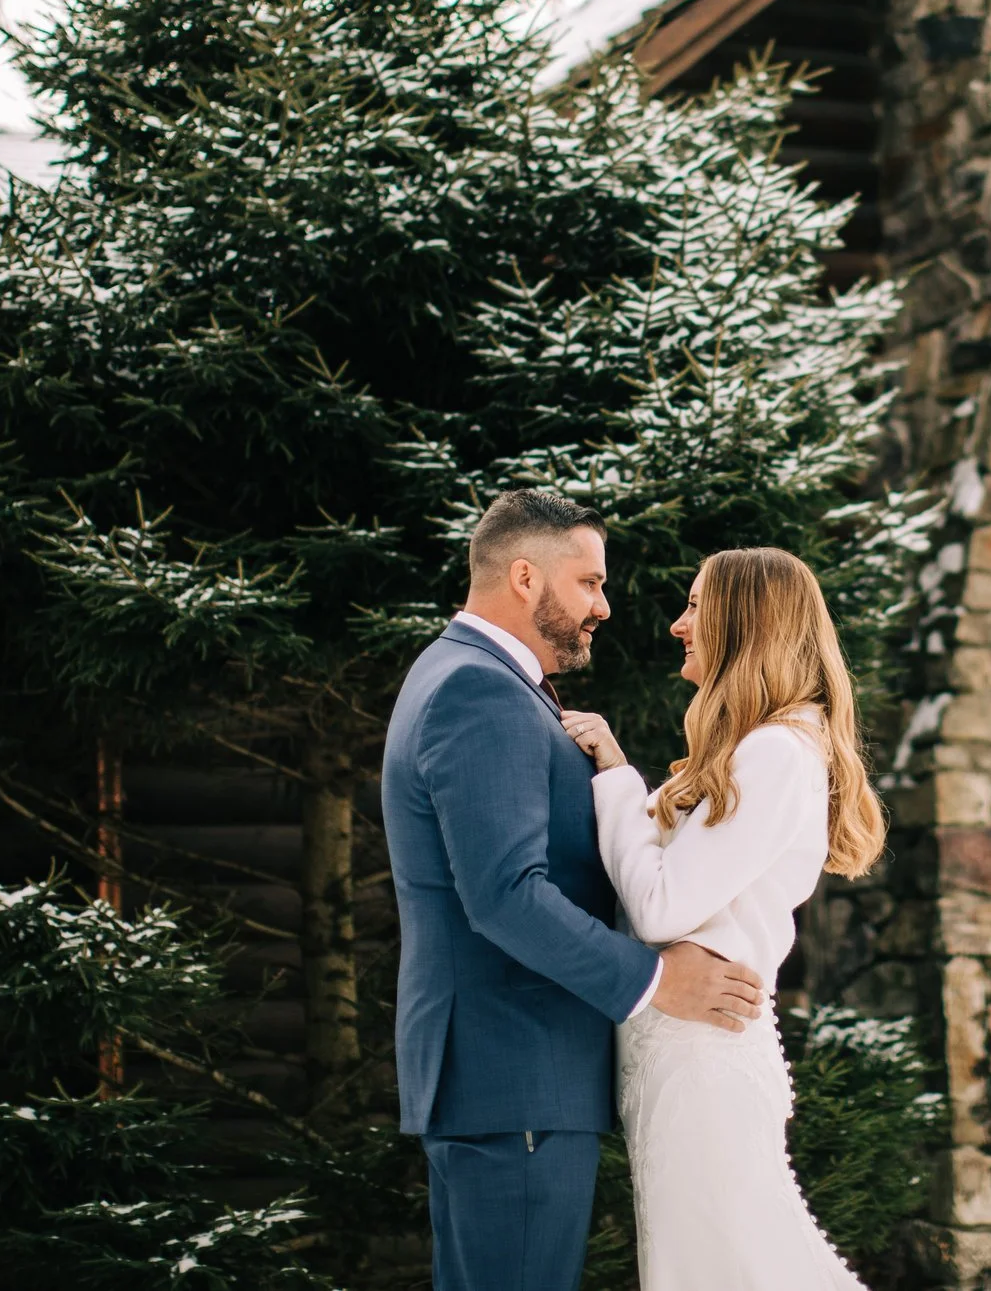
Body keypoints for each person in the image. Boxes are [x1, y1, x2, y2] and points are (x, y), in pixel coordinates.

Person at [380, 489, 766, 1291]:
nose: (604, 606)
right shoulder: (477, 688)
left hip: (504, 1076)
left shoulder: (470, 674)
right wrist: (660, 980)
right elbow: (504, 896)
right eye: (588, 583)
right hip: (513, 1070)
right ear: (526, 576)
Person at [558, 546, 887, 1291]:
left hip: (703, 1063)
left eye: (698, 605)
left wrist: (615, 777)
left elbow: (661, 904)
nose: (679, 624)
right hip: (686, 1058)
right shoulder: (763, 745)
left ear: (747, 620)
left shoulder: (775, 750)